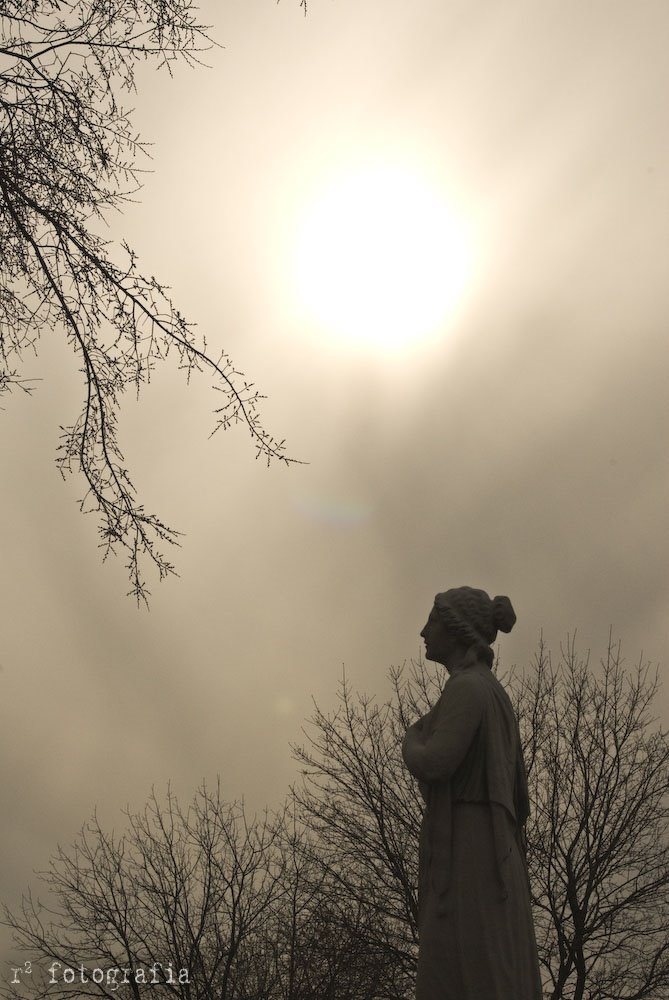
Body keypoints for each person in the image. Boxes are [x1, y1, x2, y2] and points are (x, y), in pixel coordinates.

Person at [402, 586, 543, 1000]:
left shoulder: (468, 689)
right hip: (491, 845)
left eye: (432, 621)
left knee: (466, 968)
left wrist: (410, 741)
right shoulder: (493, 693)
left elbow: (435, 762)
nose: (423, 631)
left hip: (471, 846)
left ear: (456, 629)